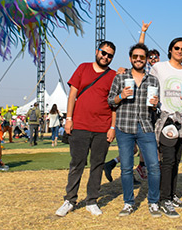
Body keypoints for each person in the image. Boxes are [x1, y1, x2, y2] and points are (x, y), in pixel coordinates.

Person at [55, 41, 117, 217]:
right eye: (103, 53)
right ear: (97, 51)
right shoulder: (83, 68)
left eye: (109, 55)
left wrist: (113, 127)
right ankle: (70, 200)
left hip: (102, 128)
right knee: (77, 164)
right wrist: (69, 119)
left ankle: (92, 200)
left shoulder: (113, 75)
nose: (105, 57)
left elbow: (114, 104)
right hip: (80, 125)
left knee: (97, 164)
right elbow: (72, 94)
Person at [107, 43, 161, 217]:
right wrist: (121, 95)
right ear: (130, 58)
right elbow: (110, 101)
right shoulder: (121, 78)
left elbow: (155, 107)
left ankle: (153, 202)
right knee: (126, 168)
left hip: (145, 126)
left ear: (146, 60)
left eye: (142, 57)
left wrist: (154, 106)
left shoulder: (152, 80)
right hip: (125, 126)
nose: (138, 59)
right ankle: (129, 203)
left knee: (153, 166)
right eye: (135, 57)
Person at [150, 37, 182, 218]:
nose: (180, 51)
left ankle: (172, 195)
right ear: (170, 50)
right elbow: (149, 86)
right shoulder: (159, 67)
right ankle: (164, 199)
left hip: (181, 119)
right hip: (165, 118)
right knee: (167, 160)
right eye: (176, 48)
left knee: (175, 160)